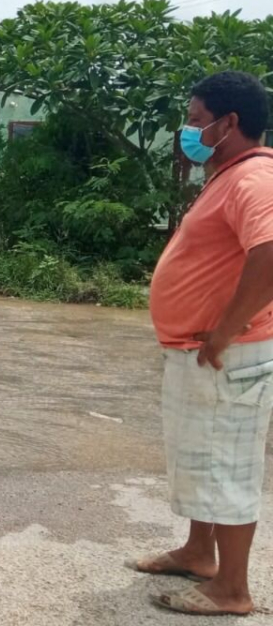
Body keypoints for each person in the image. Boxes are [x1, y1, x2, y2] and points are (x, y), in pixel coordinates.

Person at [136, 70, 273, 617]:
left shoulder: (254, 180)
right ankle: (198, 553)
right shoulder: (229, 175)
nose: (188, 131)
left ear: (229, 122)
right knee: (202, 460)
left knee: (229, 468)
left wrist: (225, 330)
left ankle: (231, 591)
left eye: (195, 120)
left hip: (226, 356)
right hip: (202, 354)